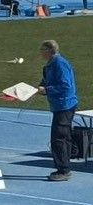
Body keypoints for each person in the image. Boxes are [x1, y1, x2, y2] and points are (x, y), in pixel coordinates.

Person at [38, 40, 78, 182]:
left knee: (58, 138)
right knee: (64, 136)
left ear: (49, 50)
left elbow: (65, 85)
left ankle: (63, 169)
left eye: (42, 49)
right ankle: (65, 165)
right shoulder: (50, 64)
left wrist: (47, 90)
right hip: (60, 105)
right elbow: (47, 81)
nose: (40, 52)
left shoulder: (59, 63)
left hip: (64, 104)